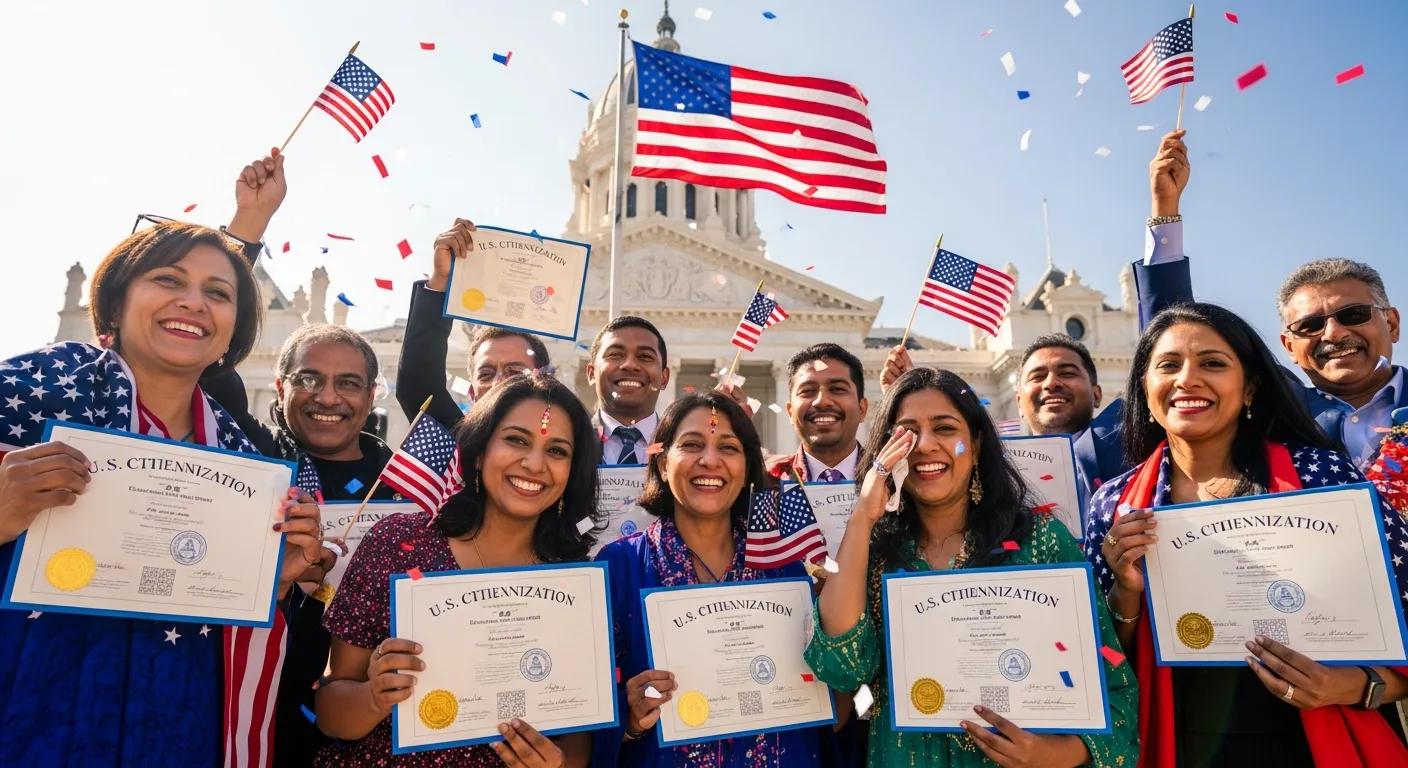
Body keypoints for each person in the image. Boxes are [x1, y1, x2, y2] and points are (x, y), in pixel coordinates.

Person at [0, 215, 325, 765]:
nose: (194, 302)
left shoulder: (243, 459)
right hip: (29, 712)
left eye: (218, 293)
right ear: (115, 301)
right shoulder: (29, 393)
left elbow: (218, 608)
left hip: (175, 724)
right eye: (169, 280)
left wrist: (271, 577)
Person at [1085, 302, 1408, 766]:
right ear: (1146, 388)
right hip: (1173, 743)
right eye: (1168, 366)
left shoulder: (1323, 478)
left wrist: (1357, 684)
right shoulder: (1115, 505)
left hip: (1311, 741)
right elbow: (1097, 665)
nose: (1187, 379)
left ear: (1250, 387)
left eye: (1213, 363)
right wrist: (1126, 592)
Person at [806, 367, 1139, 767]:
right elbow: (843, 668)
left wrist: (1053, 754)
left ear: (976, 445)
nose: (924, 445)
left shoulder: (1041, 540)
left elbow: (1114, 683)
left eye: (945, 429)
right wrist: (862, 515)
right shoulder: (872, 553)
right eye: (906, 432)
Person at [314, 373, 600, 767]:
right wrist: (373, 696)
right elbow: (330, 712)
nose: (534, 464)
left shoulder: (574, 580)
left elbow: (576, 734)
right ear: (480, 452)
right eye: (516, 440)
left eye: (557, 450)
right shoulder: (399, 544)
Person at [1134, 130, 1406, 469]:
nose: (1333, 334)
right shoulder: (1270, 412)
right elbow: (1176, 333)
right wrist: (1164, 210)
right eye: (1310, 325)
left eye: (1352, 315)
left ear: (1392, 323)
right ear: (1289, 346)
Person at [592, 392, 836, 767]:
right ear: (661, 461)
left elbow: (833, 691)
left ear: (746, 467)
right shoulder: (621, 565)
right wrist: (630, 719)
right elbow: (588, 709)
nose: (710, 460)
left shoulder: (786, 564)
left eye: (728, 447)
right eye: (691, 445)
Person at [227, 323, 402, 767]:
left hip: (365, 722)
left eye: (348, 383)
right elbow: (215, 371)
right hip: (252, 706)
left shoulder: (404, 490)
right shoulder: (244, 463)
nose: (327, 398)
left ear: (371, 396)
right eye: (308, 379)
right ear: (280, 387)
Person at [396, 218, 552, 430]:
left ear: (543, 382)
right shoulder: (458, 445)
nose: (498, 382)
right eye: (485, 374)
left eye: (515, 373)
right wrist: (442, 279)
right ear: (472, 391)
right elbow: (418, 385)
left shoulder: (571, 448)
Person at [767, 343, 869, 482]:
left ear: (862, 409)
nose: (821, 401)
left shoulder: (895, 481)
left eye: (837, 389)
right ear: (790, 412)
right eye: (807, 391)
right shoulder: (766, 483)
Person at [587, 315, 671, 465]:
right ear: (592, 373)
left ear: (664, 378)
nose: (630, 364)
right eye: (615, 355)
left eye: (645, 356)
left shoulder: (680, 446)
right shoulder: (570, 442)